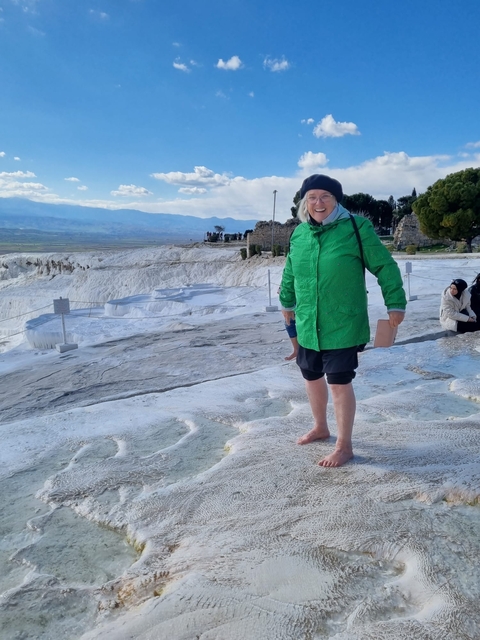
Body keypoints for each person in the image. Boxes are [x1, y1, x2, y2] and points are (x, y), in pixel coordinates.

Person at [279, 174, 407, 467]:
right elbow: (290, 271)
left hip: (343, 322)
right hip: (309, 321)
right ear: (304, 202)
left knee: (338, 382)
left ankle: (344, 445)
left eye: (325, 196)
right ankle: (321, 427)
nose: (318, 203)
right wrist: (287, 303)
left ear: (337, 200)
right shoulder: (299, 234)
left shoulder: (356, 227)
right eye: (312, 197)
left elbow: (385, 266)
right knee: (310, 376)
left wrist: (395, 303)